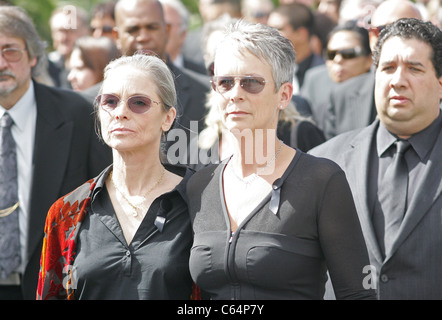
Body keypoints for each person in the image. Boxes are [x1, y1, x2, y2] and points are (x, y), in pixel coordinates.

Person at [186, 19, 376, 300]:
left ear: (284, 95)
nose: (236, 94)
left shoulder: (322, 180)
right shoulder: (199, 184)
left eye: (251, 83)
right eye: (225, 82)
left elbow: (358, 293)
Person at [37, 53, 195, 300]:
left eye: (139, 103)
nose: (121, 112)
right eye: (110, 101)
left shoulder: (200, 203)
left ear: (167, 118)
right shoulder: (66, 212)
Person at [310, 18, 442, 299]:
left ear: (440, 83)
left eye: (414, 69)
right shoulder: (323, 162)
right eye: (388, 68)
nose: (398, 81)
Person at [0, 6, 111, 300]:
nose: (1, 63)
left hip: (56, 287)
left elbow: (105, 200)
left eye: (10, 50)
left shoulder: (78, 114)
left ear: (34, 56)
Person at [321, 0, 422, 140]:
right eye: (382, 30)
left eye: (402, 29)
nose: (391, 38)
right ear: (371, 37)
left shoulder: (434, 89)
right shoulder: (341, 96)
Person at [301, 20, 373, 130]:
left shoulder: (378, 88)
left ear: (369, 59)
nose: (338, 59)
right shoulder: (314, 80)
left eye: (348, 54)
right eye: (331, 54)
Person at [267, 3, 325, 94]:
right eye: (269, 29)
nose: (269, 35)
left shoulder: (325, 74)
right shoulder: (267, 71)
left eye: (278, 29)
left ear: (301, 34)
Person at [48, 4, 90, 89]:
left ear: (86, 31)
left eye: (70, 31)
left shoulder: (96, 66)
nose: (63, 38)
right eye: (59, 31)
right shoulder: (44, 66)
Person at [160, 0, 207, 74]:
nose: (157, 33)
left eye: (165, 27)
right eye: (151, 27)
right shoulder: (138, 72)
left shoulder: (203, 76)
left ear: (182, 34)